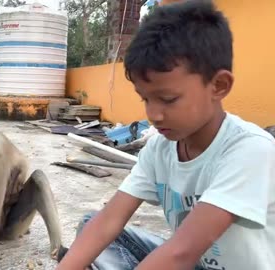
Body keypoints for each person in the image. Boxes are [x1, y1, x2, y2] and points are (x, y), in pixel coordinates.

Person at [57, 1, 275, 269]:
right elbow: (109, 221)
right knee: (93, 225)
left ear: (218, 85)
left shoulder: (251, 150)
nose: (154, 114)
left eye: (168, 99)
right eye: (146, 99)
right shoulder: (160, 148)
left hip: (189, 257)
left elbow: (181, 253)